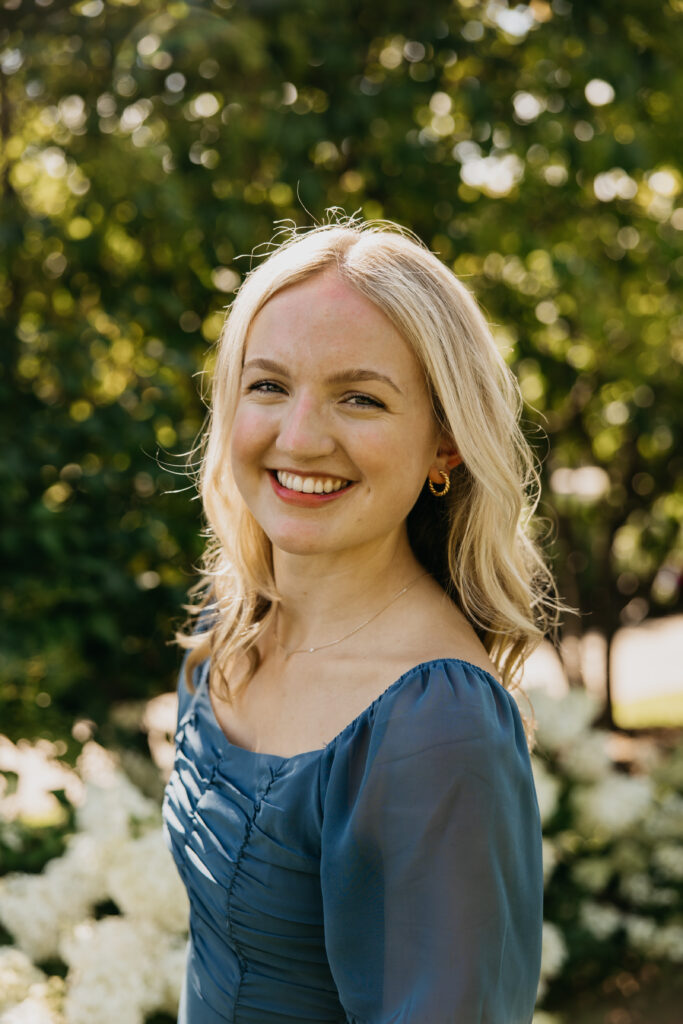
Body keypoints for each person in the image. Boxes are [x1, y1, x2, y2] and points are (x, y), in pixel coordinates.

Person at [162, 216, 562, 1024]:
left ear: (445, 443)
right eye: (268, 385)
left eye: (360, 398)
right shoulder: (231, 626)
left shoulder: (434, 721)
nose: (300, 437)